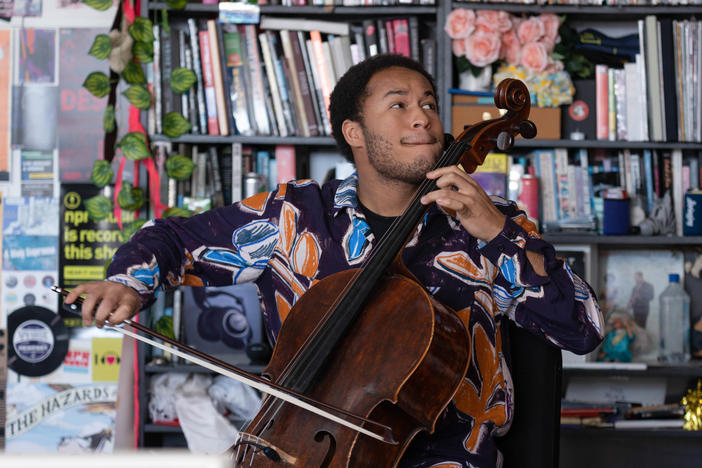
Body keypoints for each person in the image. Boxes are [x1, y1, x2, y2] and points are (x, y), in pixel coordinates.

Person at [66, 54, 604, 467]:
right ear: (354, 134)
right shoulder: (293, 216)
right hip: (298, 450)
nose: (422, 118)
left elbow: (583, 329)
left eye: (429, 104)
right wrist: (129, 282)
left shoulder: (490, 222)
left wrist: (496, 232)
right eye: (398, 105)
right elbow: (174, 238)